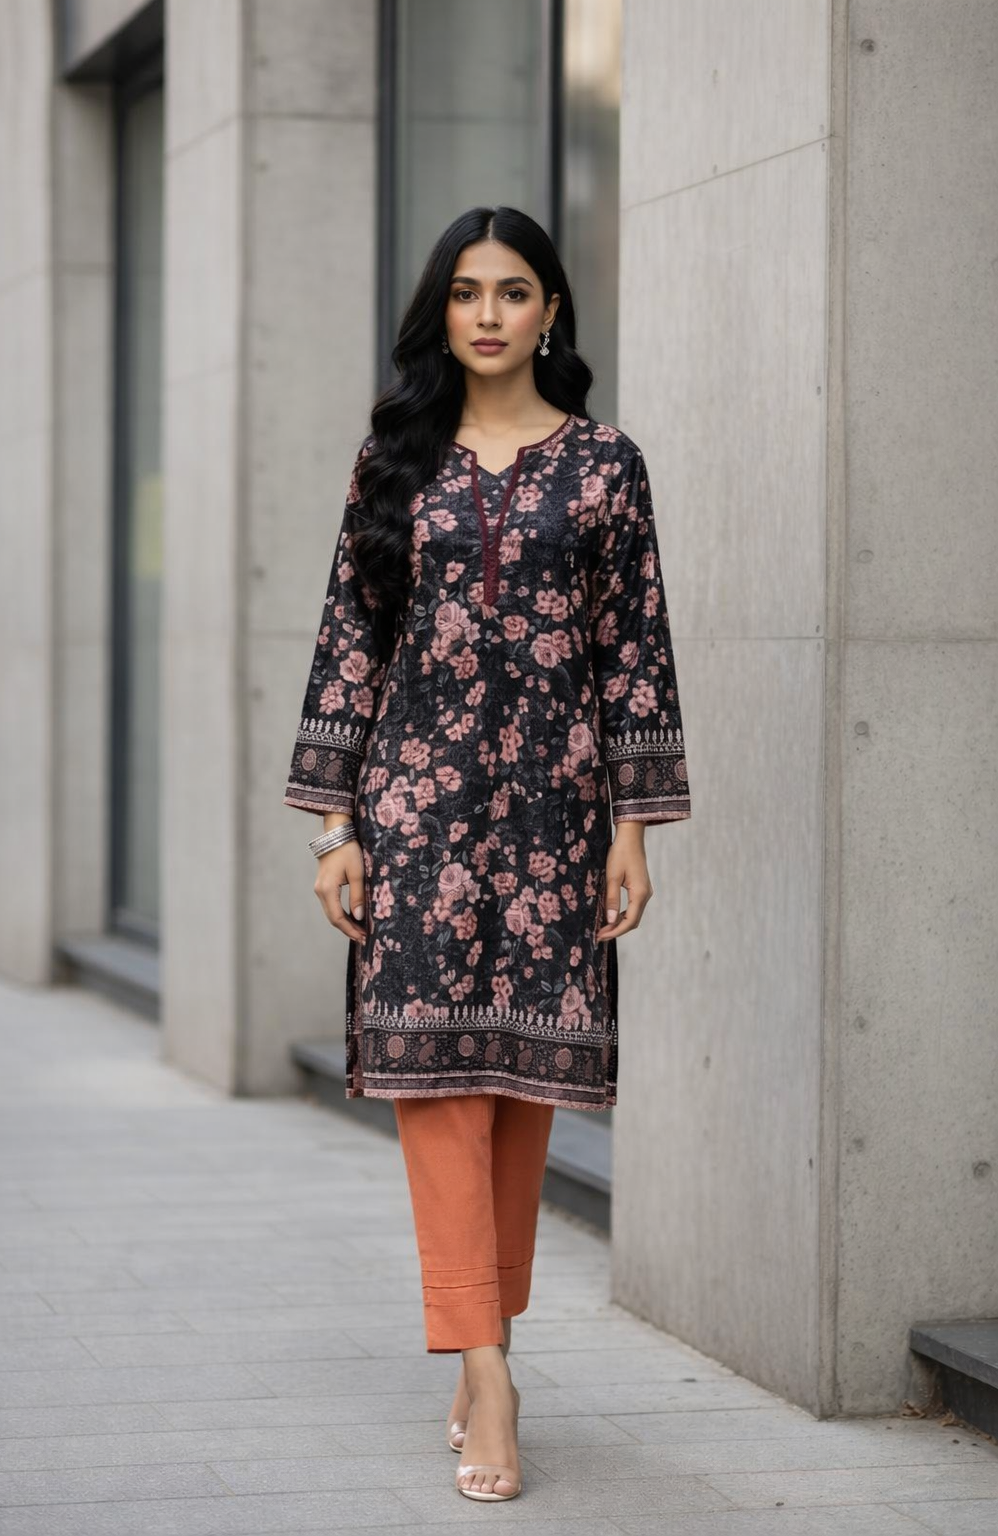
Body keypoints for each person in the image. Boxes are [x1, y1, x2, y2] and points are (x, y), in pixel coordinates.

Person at [283, 205, 691, 1503]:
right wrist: (335, 826)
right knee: (437, 1086)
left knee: (519, 1092)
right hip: (415, 812)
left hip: (559, 822)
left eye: (515, 290)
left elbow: (635, 649)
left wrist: (634, 826)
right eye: (467, 292)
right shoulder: (394, 459)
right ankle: (495, 1369)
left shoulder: (608, 467)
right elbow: (350, 638)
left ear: (551, 310)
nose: (490, 313)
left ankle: (478, 1344)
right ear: (443, 312)